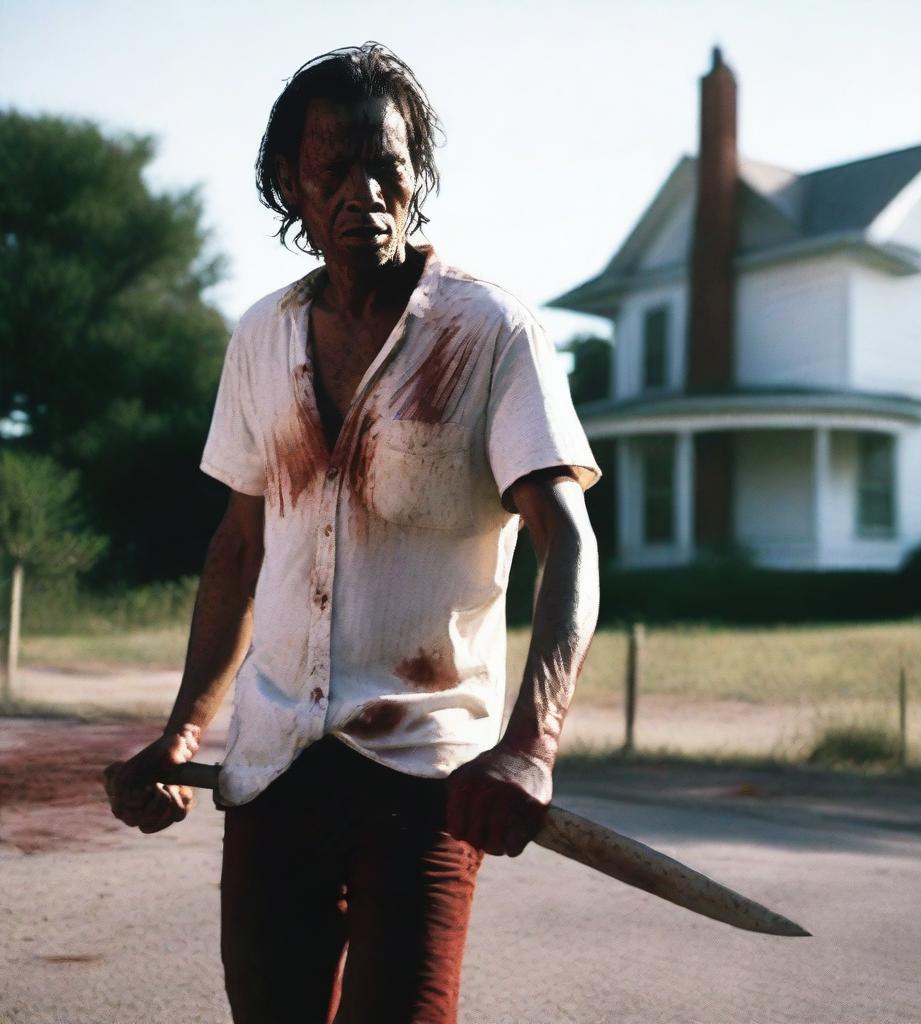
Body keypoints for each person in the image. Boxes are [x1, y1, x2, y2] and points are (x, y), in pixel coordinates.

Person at [104, 41, 600, 1024]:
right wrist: (184, 732)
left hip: (423, 782)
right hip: (270, 770)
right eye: (333, 169)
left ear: (418, 176)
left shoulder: (489, 332)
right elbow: (238, 551)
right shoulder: (260, 337)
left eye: (387, 166)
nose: (363, 192)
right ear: (291, 182)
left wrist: (531, 744)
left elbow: (569, 542)